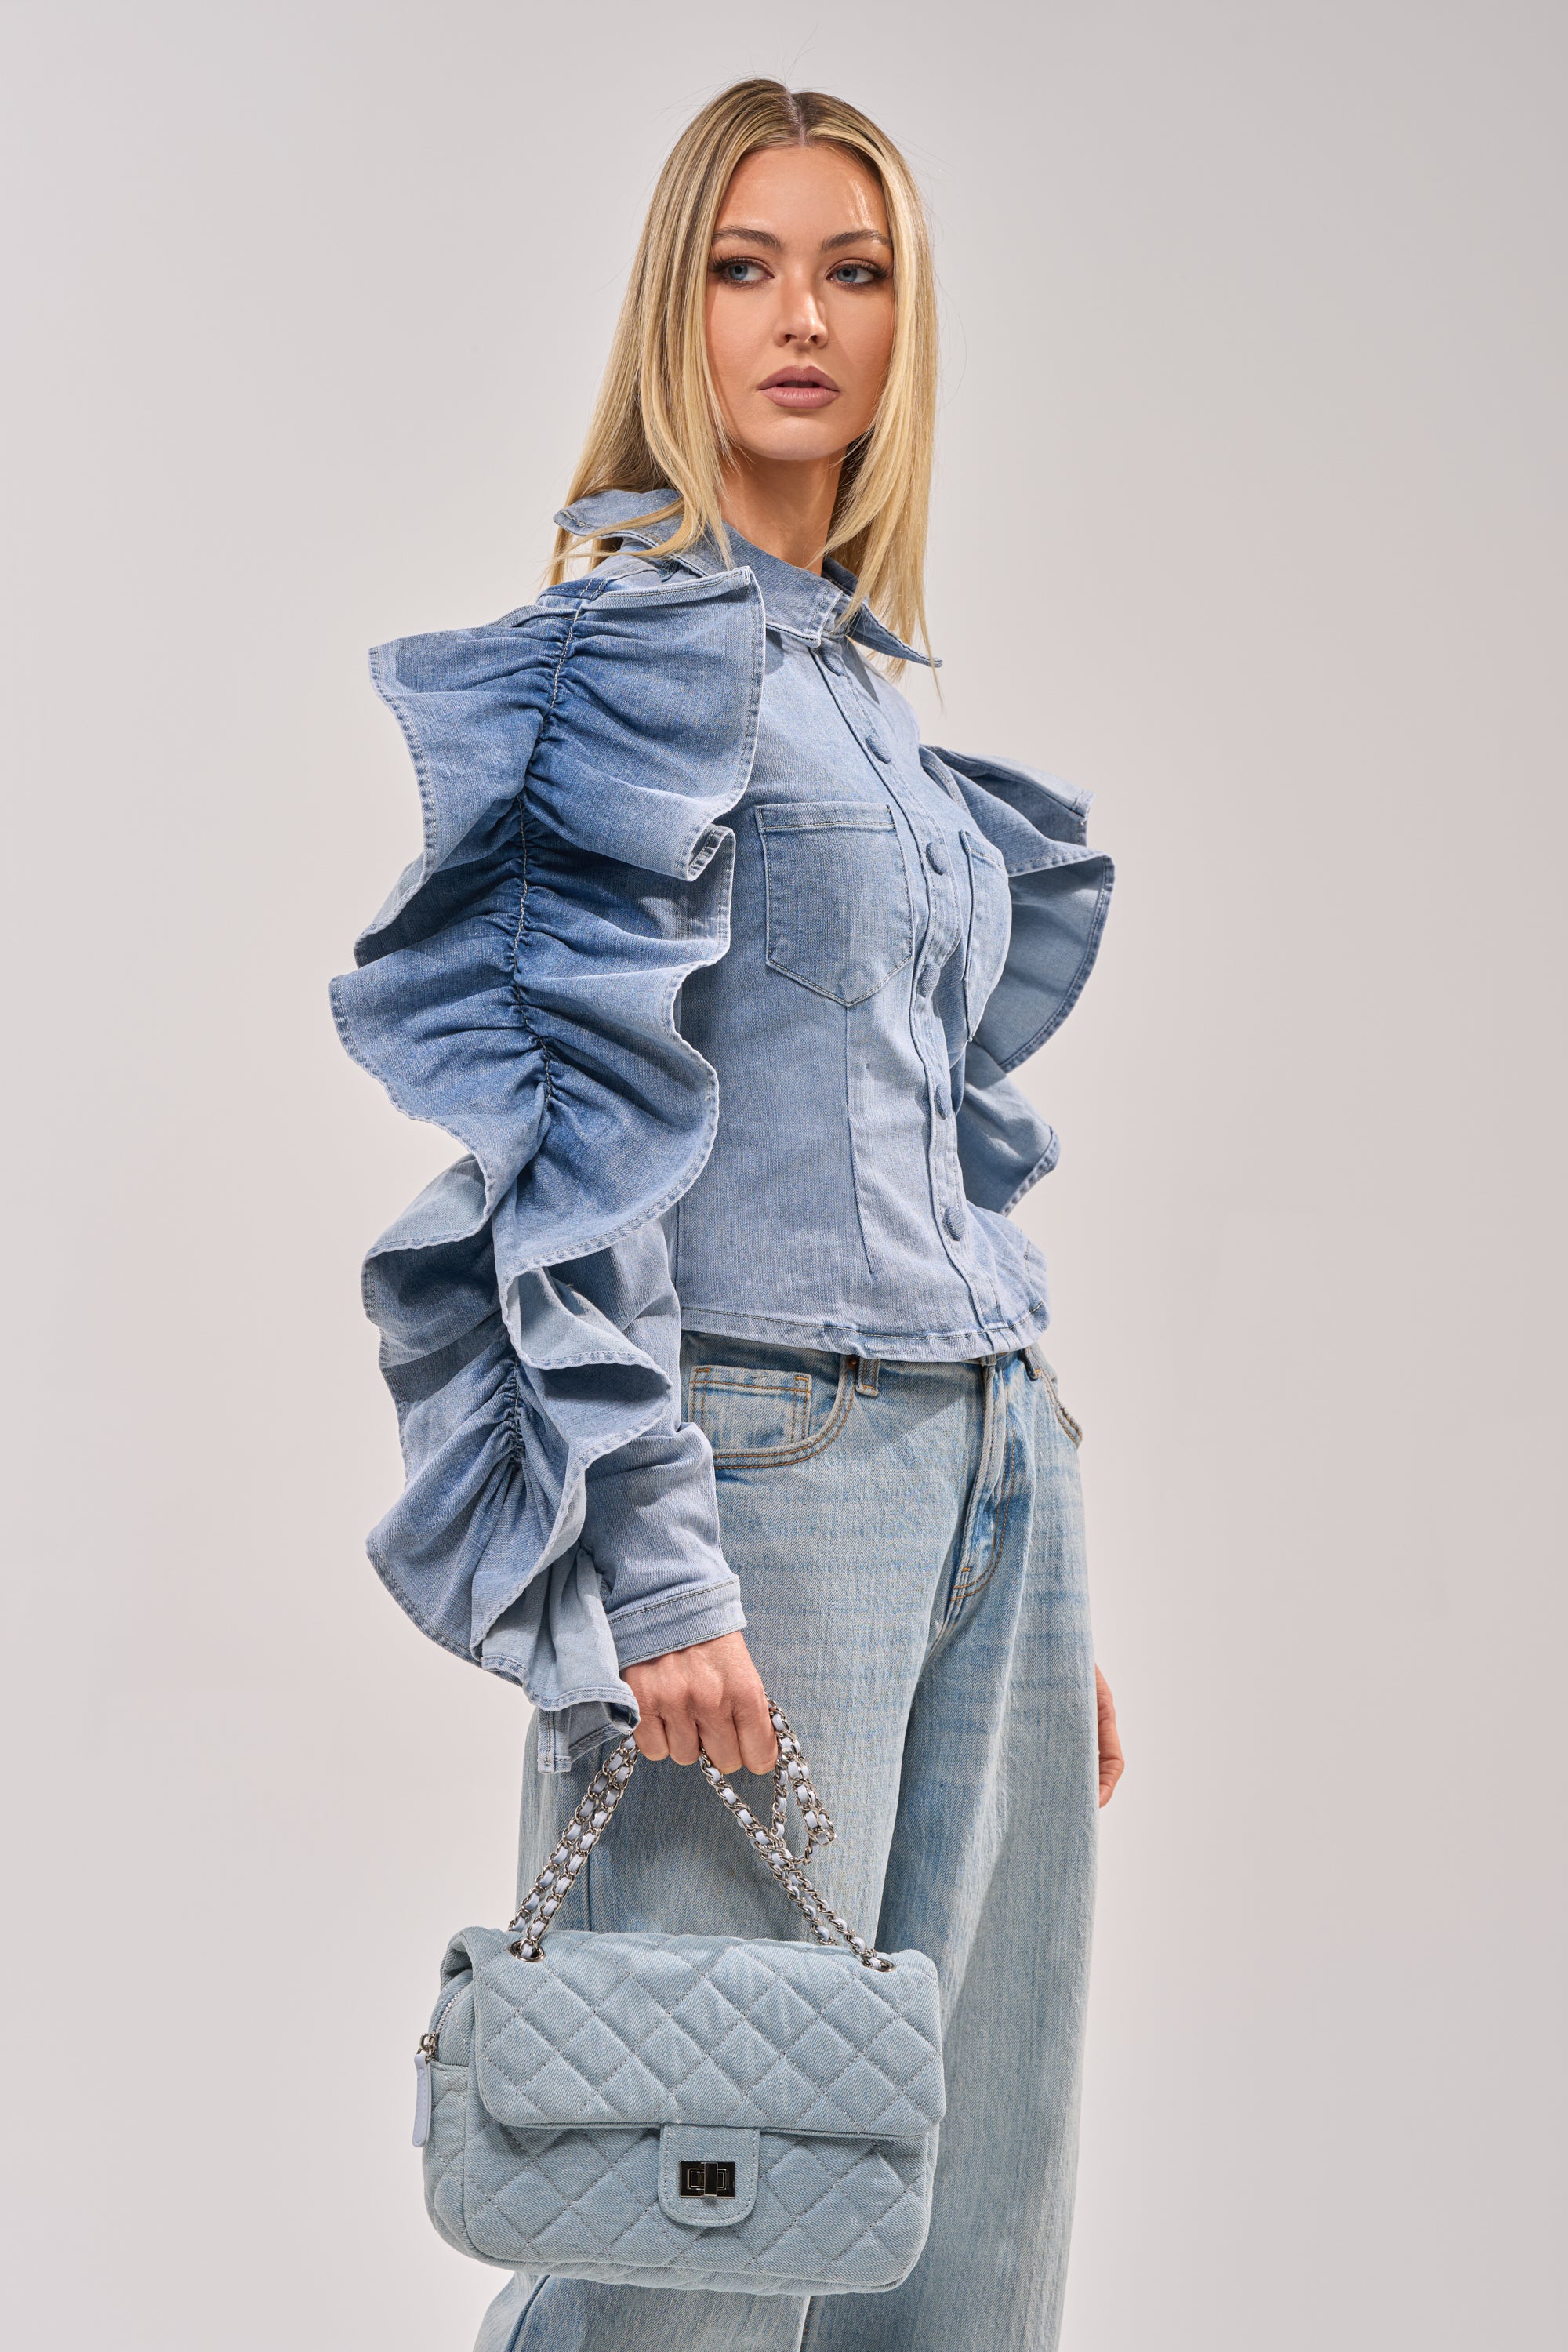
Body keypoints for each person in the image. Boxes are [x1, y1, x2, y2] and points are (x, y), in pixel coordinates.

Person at [333, 75, 1123, 2352]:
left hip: (990, 1468)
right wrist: (652, 1556)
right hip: (760, 1477)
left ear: (907, 328)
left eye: (855, 272)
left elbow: (930, 1128)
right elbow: (559, 1156)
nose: (805, 321)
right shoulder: (630, 667)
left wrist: (1030, 1531)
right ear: (676, 304)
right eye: (748, 265)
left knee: (957, 2183)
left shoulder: (868, 689)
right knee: (690, 2216)